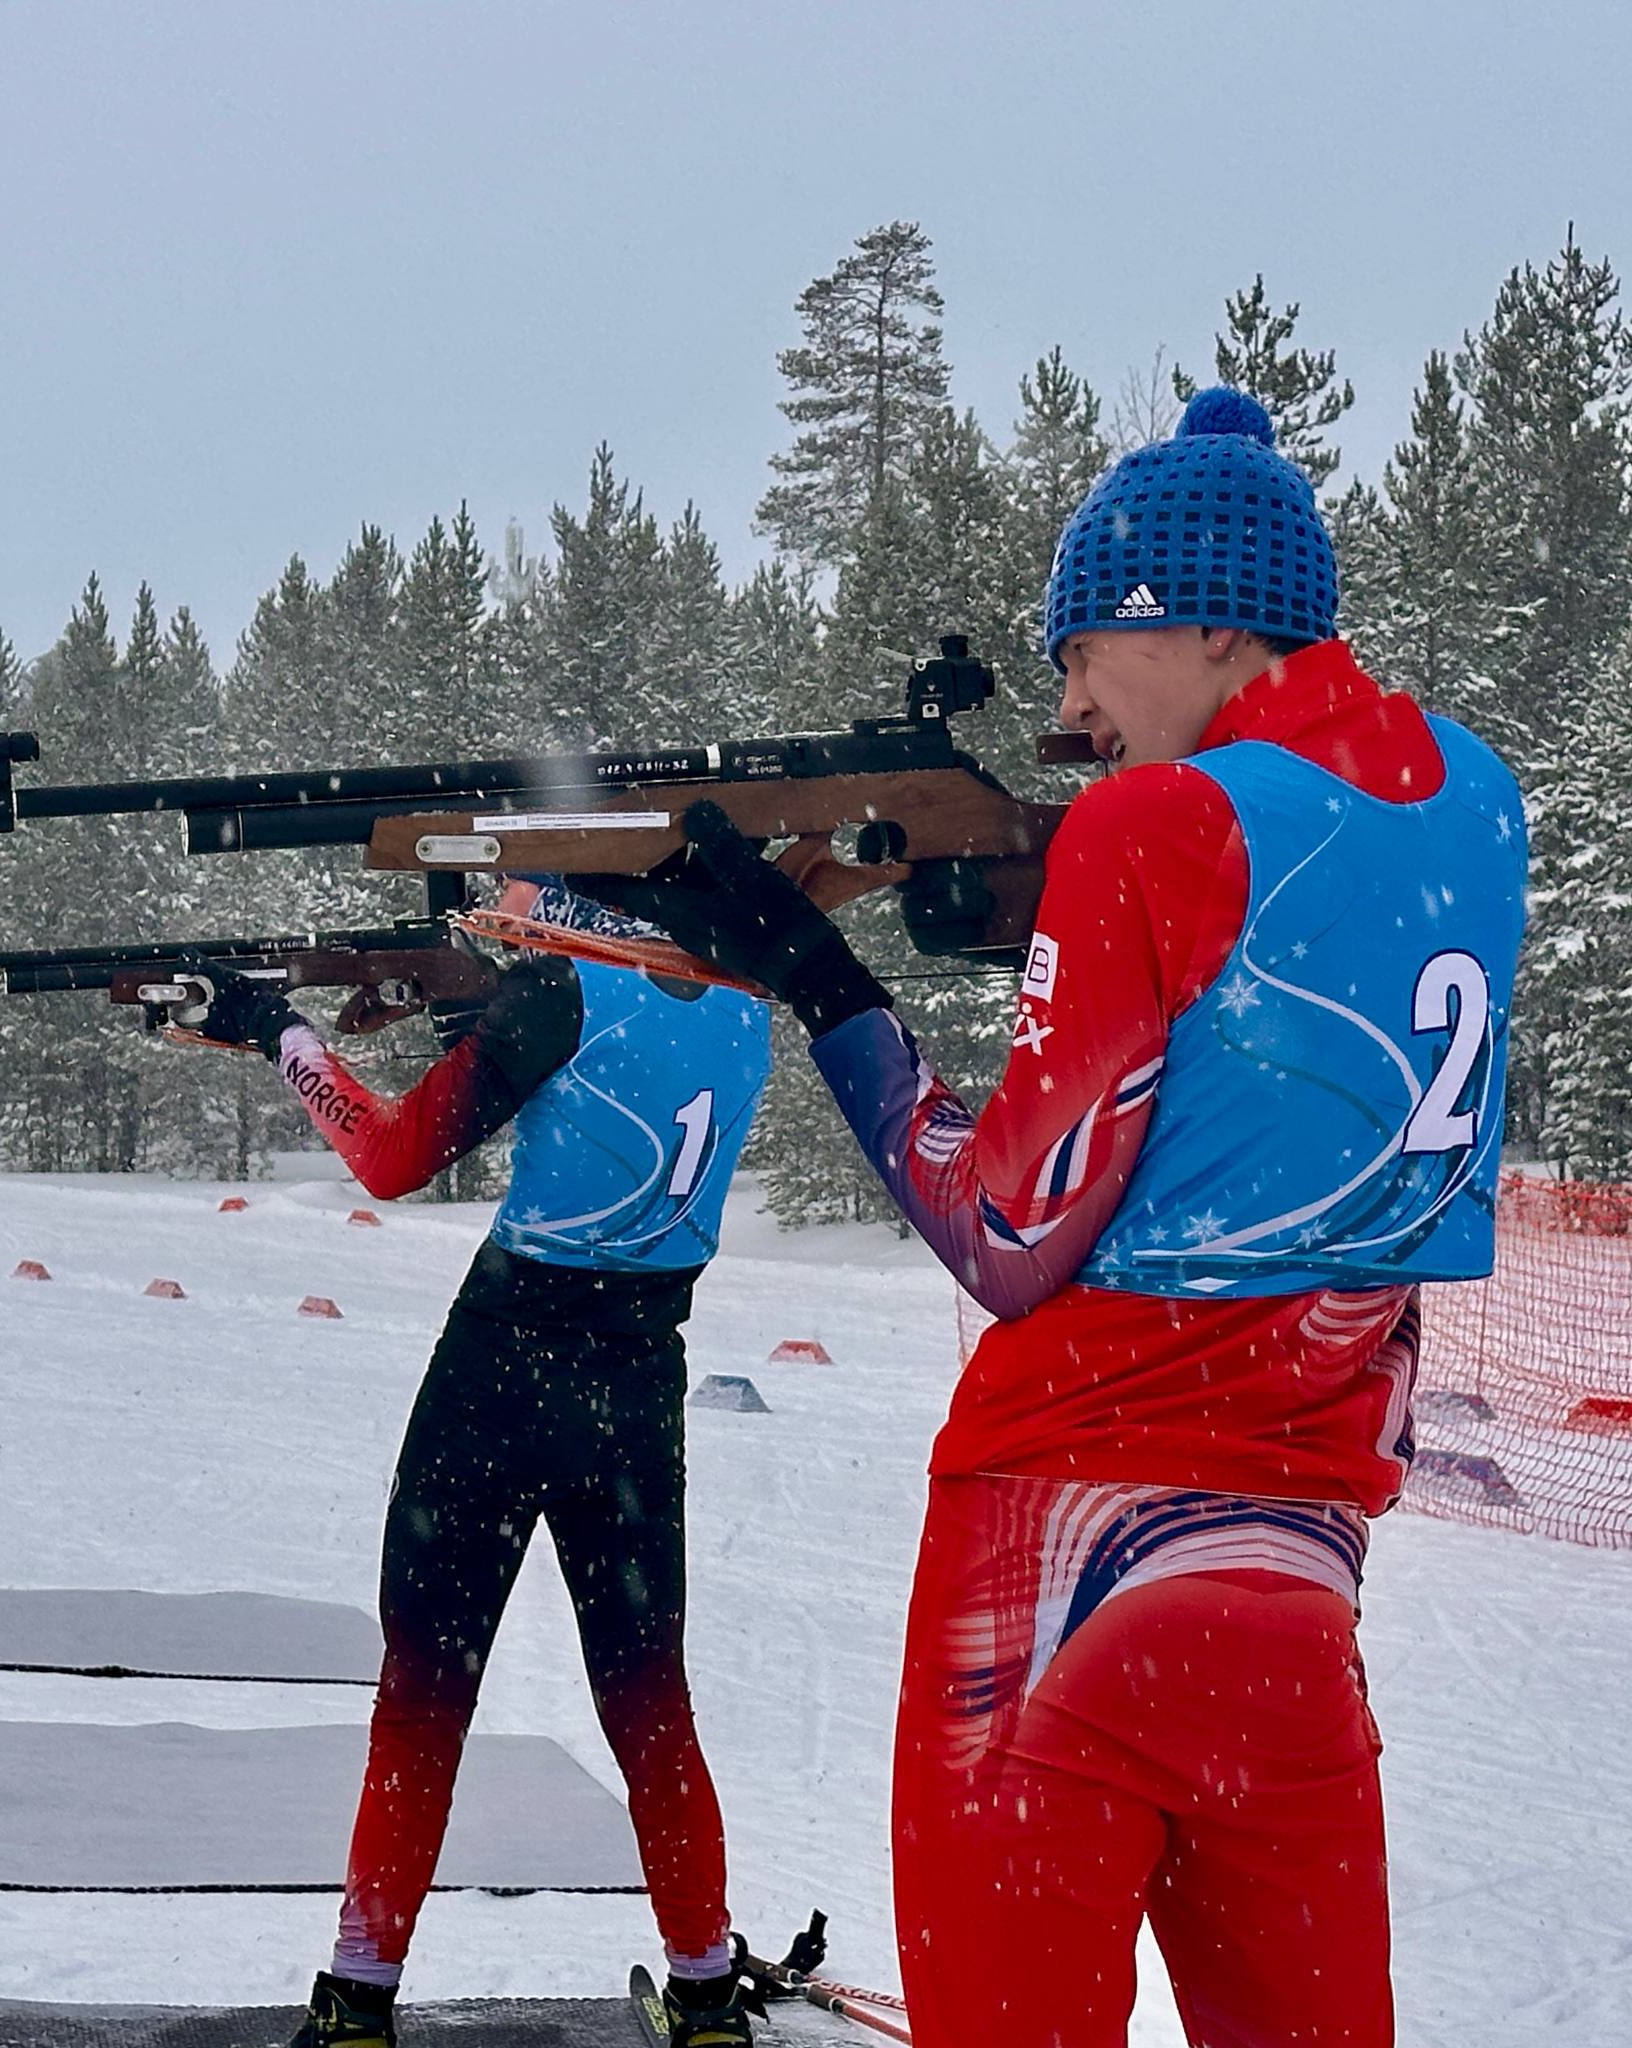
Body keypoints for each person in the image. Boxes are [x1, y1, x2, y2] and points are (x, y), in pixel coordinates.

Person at [588, 389, 1529, 2048]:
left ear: (1213, 619)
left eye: (1089, 647)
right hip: (1297, 1573)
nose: (1073, 702)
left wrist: (821, 982)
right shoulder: (1474, 800)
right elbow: (1261, 1050)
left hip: (1055, 1571)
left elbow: (1007, 1226)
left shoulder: (1154, 825)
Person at [182, 881, 774, 2048]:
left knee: (421, 1697)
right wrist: (470, 1016)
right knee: (650, 1705)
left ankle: (357, 1998)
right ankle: (707, 1997)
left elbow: (390, 1154)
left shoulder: (553, 992)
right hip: (636, 1379)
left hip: (500, 1370)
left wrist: (276, 1032)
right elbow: (606, 1096)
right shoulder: (743, 1000)